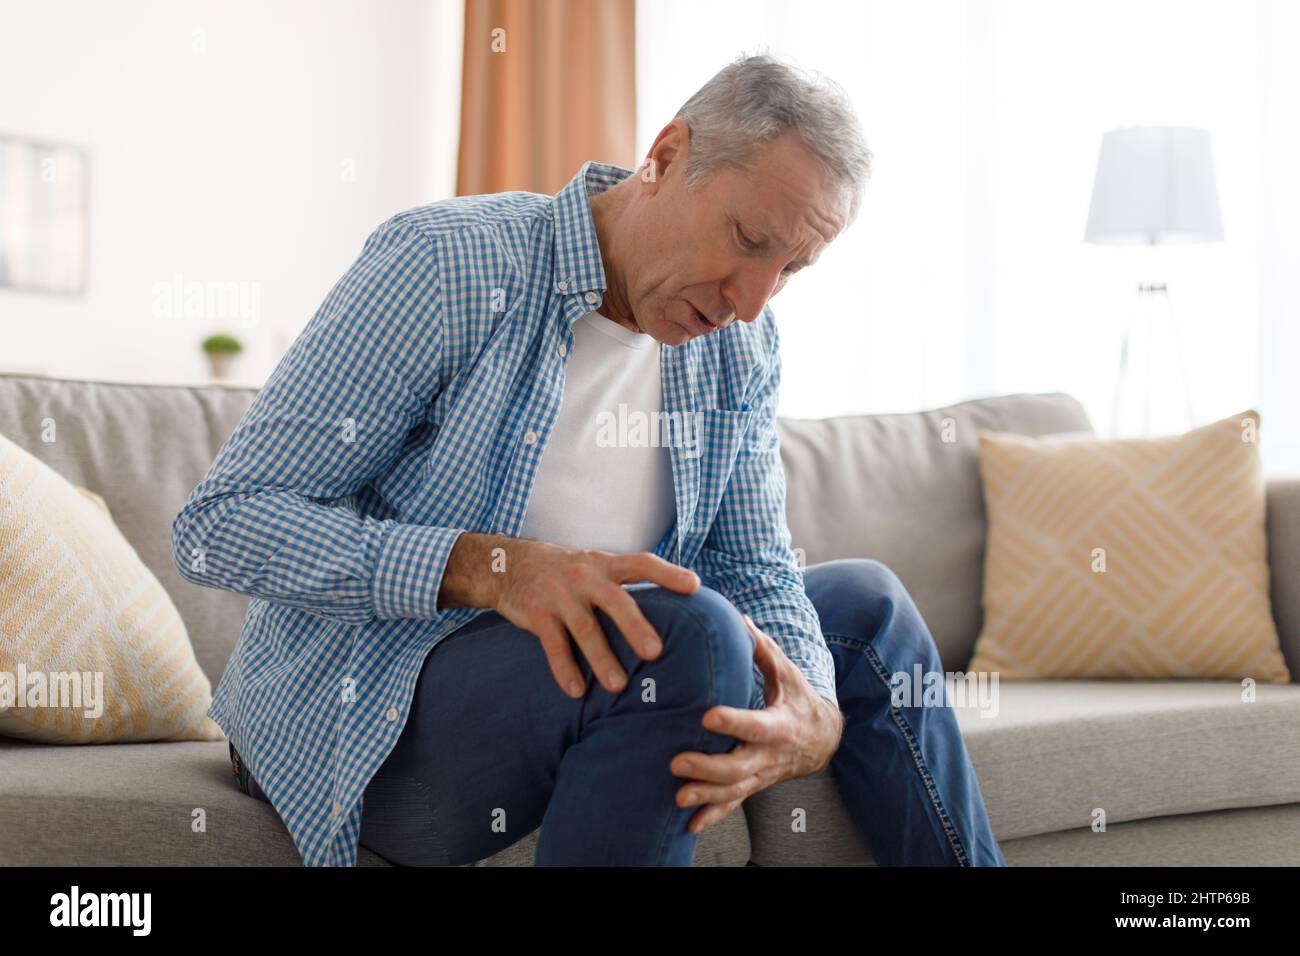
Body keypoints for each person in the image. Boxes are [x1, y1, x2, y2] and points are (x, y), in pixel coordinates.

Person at [173, 52, 1005, 867]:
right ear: (667, 156)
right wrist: (496, 570)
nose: (752, 301)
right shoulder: (450, 265)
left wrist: (816, 711)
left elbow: (754, 566)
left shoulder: (739, 349)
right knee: (688, 635)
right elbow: (223, 526)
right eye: (748, 239)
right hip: (373, 713)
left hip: (592, 684)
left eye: (790, 268)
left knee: (867, 608)